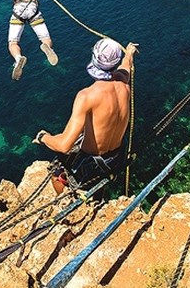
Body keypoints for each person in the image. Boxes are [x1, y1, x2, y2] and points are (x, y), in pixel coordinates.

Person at [33, 39, 138, 193]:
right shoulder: (124, 83)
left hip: (92, 163)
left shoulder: (86, 96)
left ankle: (65, 201)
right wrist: (129, 53)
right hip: (117, 158)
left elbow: (63, 145)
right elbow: (126, 65)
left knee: (56, 173)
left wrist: (43, 137)